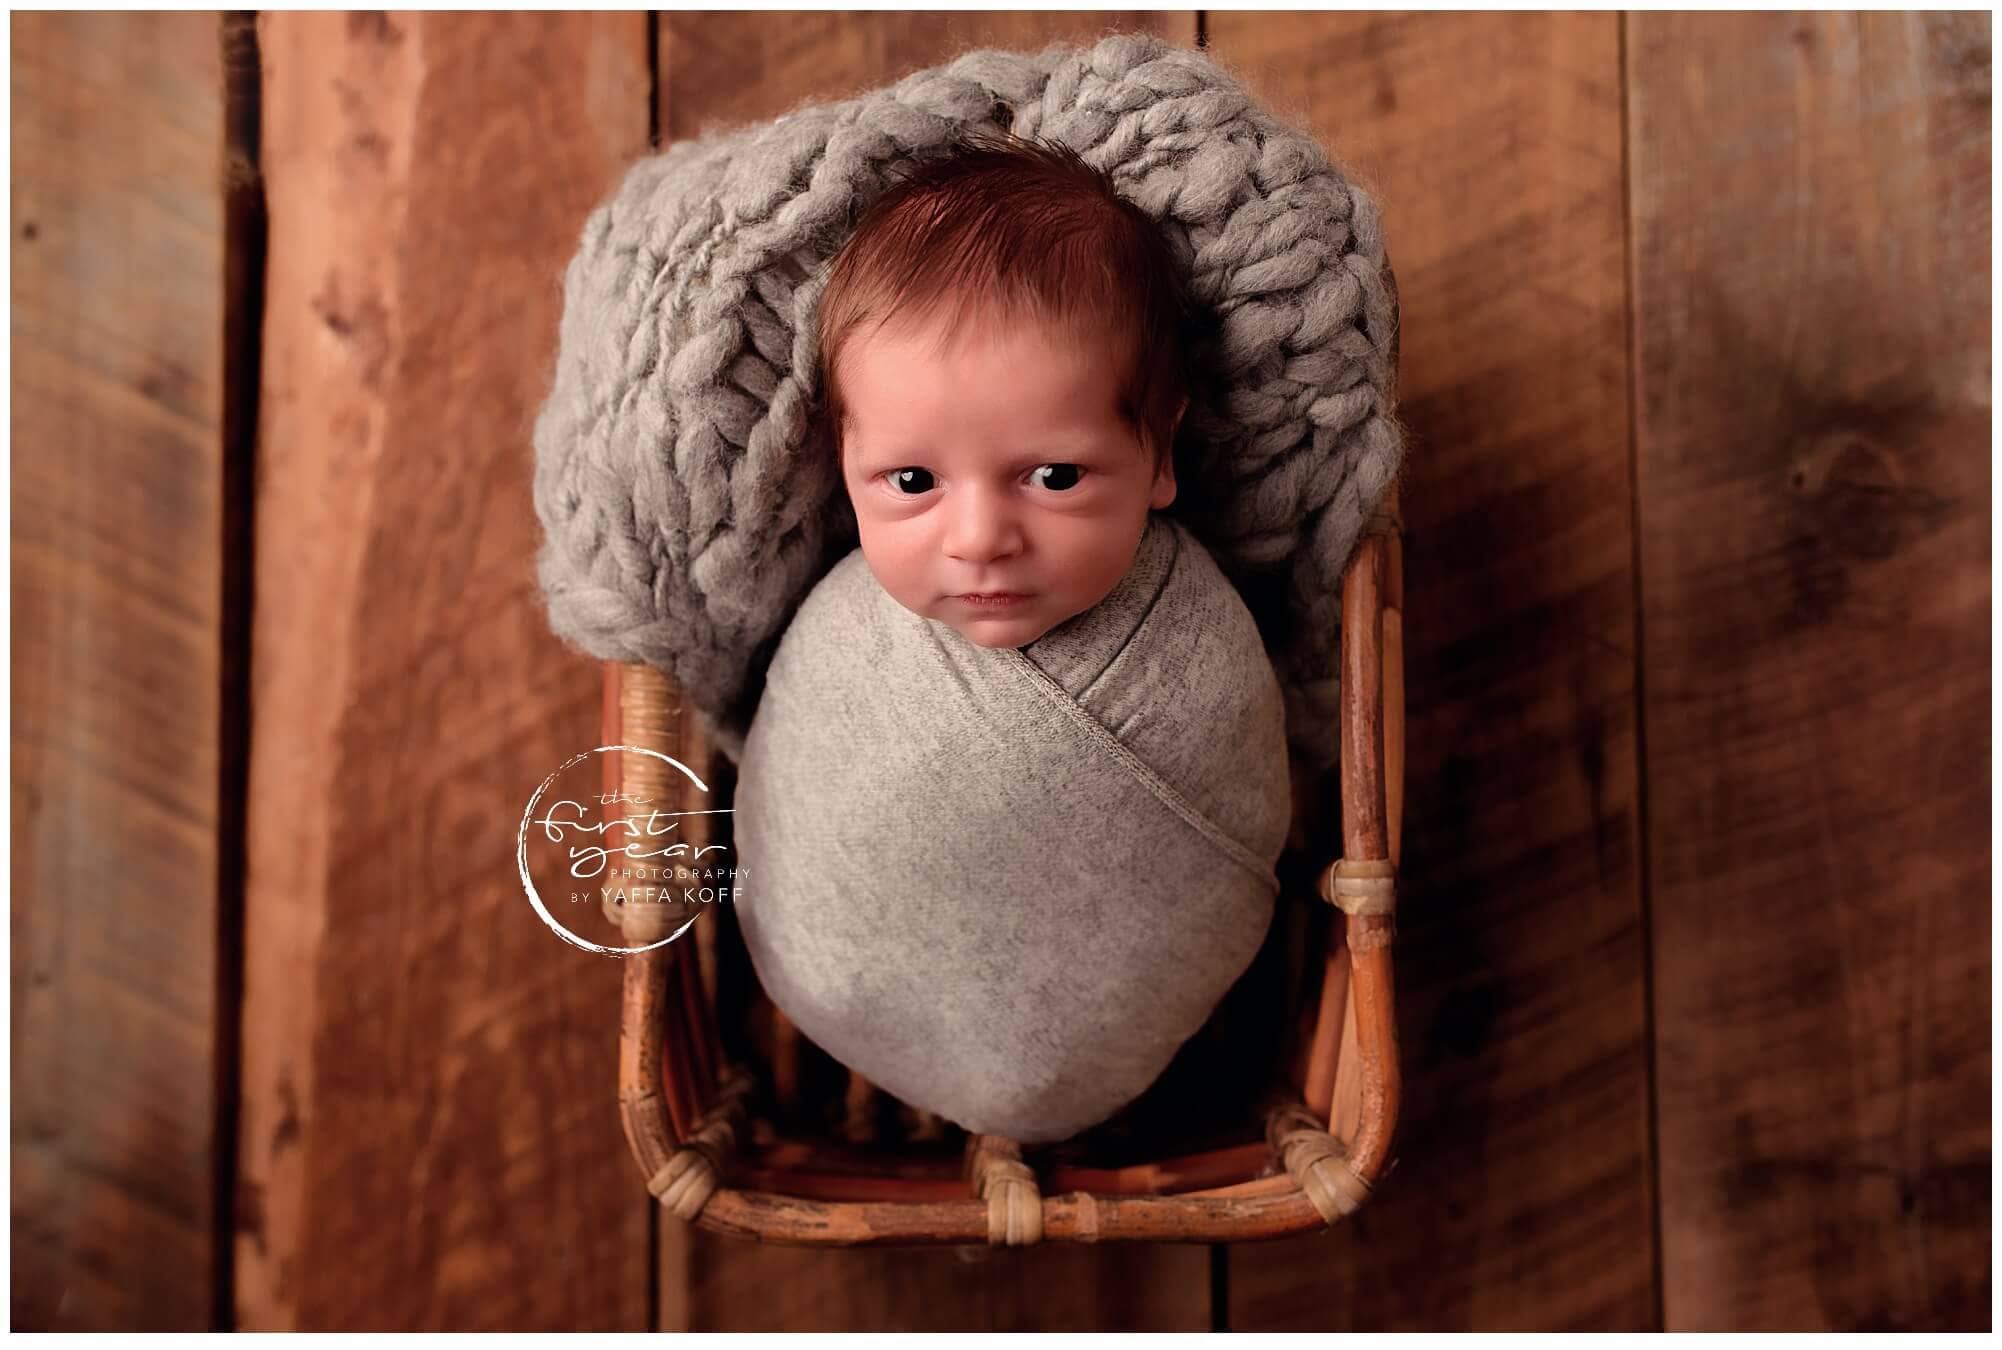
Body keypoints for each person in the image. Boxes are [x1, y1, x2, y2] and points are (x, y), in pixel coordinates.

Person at [812, 128, 1200, 650]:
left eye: (1055, 477)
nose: (979, 541)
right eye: (911, 481)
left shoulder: (1189, 644)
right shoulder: (832, 635)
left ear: (1162, 458)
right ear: (843, 464)